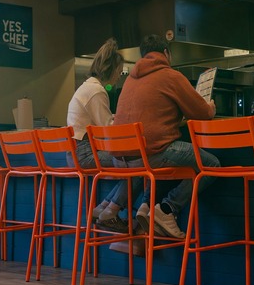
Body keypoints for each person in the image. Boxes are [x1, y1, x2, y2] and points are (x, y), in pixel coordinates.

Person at [93, 34, 218, 238]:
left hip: (121, 159)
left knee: (155, 160)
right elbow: (201, 113)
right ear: (166, 53)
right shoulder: (171, 76)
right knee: (212, 165)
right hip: (150, 155)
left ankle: (126, 208)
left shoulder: (129, 80)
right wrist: (210, 108)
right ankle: (167, 210)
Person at [66, 38, 125, 168]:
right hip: (85, 155)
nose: (120, 76)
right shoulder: (96, 90)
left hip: (75, 154)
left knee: (132, 161)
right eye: (119, 72)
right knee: (133, 160)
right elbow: (108, 129)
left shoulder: (87, 87)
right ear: (111, 69)